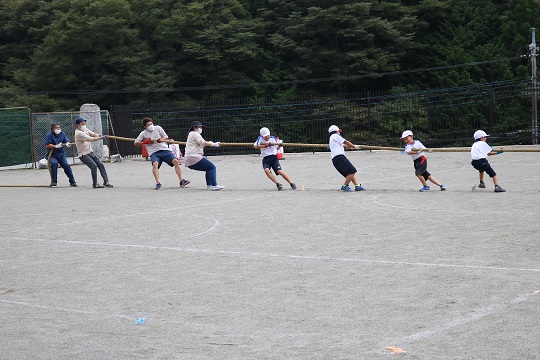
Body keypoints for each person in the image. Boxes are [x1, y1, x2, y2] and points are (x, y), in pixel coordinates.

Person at [134, 118, 190, 190]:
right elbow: (135, 143)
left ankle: (181, 180)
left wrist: (161, 139)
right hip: (154, 152)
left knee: (175, 161)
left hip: (164, 149)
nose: (151, 126)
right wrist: (145, 142)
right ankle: (158, 183)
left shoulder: (158, 128)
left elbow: (166, 136)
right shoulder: (143, 133)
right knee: (155, 164)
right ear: (145, 127)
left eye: (151, 124)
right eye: (148, 125)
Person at [184, 121, 224, 191]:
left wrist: (211, 143)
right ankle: (214, 185)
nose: (201, 129)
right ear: (195, 128)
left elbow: (202, 143)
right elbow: (203, 142)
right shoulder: (195, 134)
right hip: (194, 157)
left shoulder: (190, 134)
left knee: (208, 168)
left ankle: (209, 185)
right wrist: (214, 144)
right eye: (199, 127)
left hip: (189, 158)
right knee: (212, 167)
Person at [74, 117, 113, 188]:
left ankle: (106, 182)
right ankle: (95, 184)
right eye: (82, 124)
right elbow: (90, 139)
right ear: (78, 125)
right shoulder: (78, 133)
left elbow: (92, 134)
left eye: (84, 124)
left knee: (100, 165)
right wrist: (100, 138)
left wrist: (99, 135)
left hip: (90, 152)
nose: (84, 125)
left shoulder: (84, 129)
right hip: (83, 154)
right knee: (93, 166)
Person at [328, 125, 365, 192]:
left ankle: (357, 186)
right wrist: (353, 146)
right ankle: (345, 186)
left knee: (349, 173)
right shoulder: (335, 136)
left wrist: (353, 147)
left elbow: (344, 147)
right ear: (336, 131)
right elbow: (345, 141)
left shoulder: (332, 138)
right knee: (352, 171)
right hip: (339, 157)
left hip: (336, 159)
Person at [45, 122, 77, 187]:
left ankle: (72, 181)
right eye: (57, 128)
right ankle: (54, 181)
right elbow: (47, 145)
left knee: (66, 165)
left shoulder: (62, 134)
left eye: (59, 127)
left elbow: (66, 141)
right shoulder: (49, 135)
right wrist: (55, 146)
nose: (58, 129)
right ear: (53, 129)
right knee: (54, 164)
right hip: (52, 155)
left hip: (61, 154)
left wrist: (68, 143)